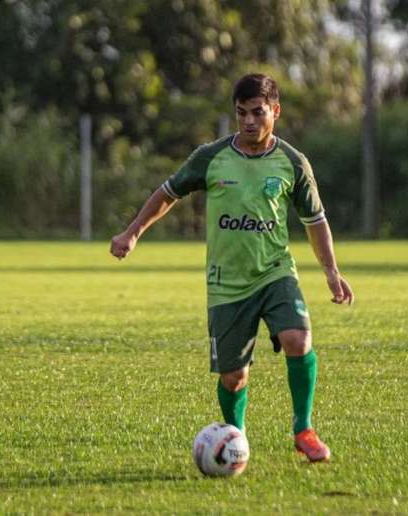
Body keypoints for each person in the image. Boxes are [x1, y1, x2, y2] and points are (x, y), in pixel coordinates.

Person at [110, 73, 353, 462]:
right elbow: (168, 192)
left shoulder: (292, 162)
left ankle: (303, 428)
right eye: (241, 113)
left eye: (258, 112)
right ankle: (234, 437)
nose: (249, 121)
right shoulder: (211, 156)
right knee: (233, 377)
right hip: (227, 283)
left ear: (276, 111)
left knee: (298, 338)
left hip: (275, 272)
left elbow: (316, 220)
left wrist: (331, 271)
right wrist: (133, 232)